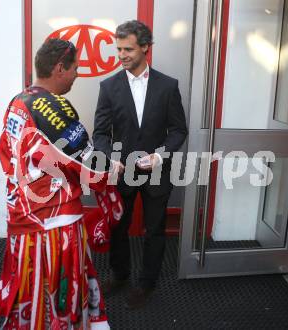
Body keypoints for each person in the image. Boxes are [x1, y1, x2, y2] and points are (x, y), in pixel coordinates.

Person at [0, 38, 121, 330]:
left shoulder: (18, 101)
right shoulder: (54, 106)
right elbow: (88, 162)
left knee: (32, 285)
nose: (76, 75)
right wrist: (113, 169)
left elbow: (5, 152)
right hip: (55, 220)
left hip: (22, 212)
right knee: (62, 284)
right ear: (60, 68)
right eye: (75, 68)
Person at [93, 20, 188, 309]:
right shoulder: (108, 87)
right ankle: (119, 275)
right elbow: (99, 133)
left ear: (145, 47)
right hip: (121, 173)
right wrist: (111, 157)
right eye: (119, 48)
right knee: (118, 228)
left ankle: (147, 283)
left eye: (128, 49)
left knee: (154, 230)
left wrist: (160, 156)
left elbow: (179, 131)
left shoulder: (168, 86)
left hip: (158, 172)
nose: (121, 55)